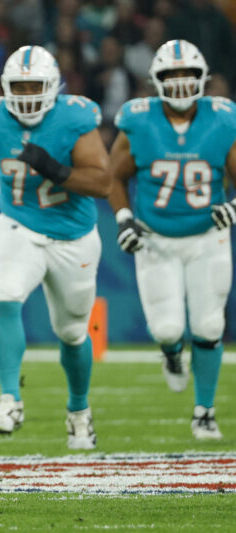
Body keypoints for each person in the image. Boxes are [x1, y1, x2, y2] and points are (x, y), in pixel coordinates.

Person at [0, 46, 111, 449]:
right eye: (18, 86)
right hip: (18, 224)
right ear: (5, 87)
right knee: (5, 299)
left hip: (73, 235)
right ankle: (10, 399)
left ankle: (79, 411)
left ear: (53, 87)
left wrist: (54, 169)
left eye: (35, 85)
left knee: (72, 332)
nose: (26, 94)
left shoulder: (74, 117)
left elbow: (102, 183)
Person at [108, 40, 236, 440]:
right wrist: (124, 219)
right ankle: (171, 353)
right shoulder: (138, 119)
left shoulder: (223, 118)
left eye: (188, 74)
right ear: (156, 80)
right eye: (171, 75)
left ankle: (204, 411)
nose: (180, 82)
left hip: (207, 238)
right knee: (166, 329)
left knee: (209, 324)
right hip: (156, 239)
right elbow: (113, 176)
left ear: (203, 79)